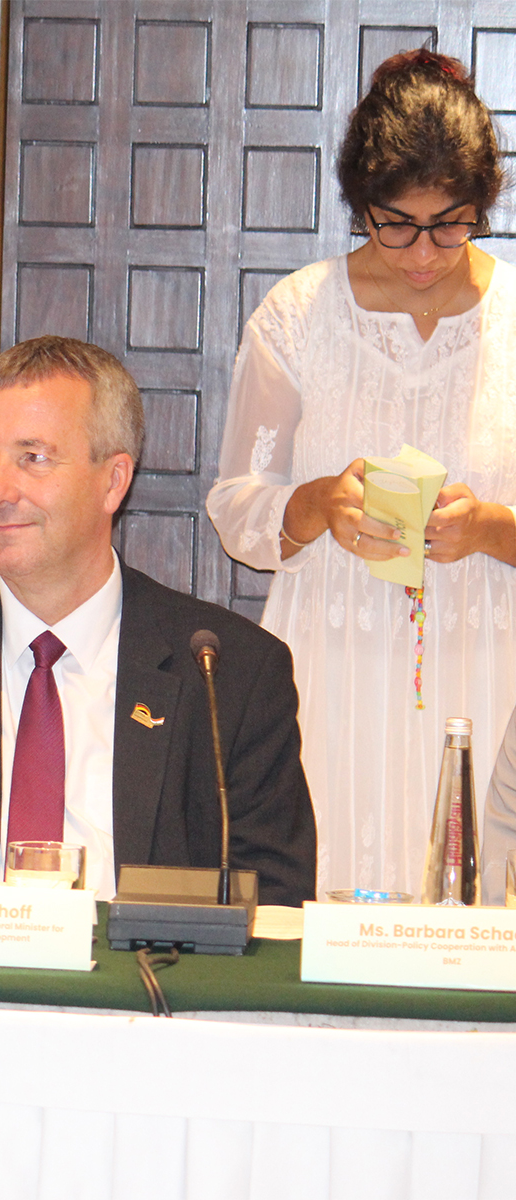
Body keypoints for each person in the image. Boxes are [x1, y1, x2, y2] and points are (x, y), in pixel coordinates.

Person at [0, 336, 316, 907]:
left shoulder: (229, 673)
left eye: (34, 458)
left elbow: (274, 911)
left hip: (142, 990)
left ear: (113, 481)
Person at [205, 51, 516, 897]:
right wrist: (314, 507)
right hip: (331, 662)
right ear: (359, 207)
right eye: (395, 224)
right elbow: (238, 505)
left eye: (450, 224)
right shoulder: (300, 315)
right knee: (327, 894)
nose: (423, 252)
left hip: (487, 659)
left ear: (483, 205)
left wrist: (489, 528)